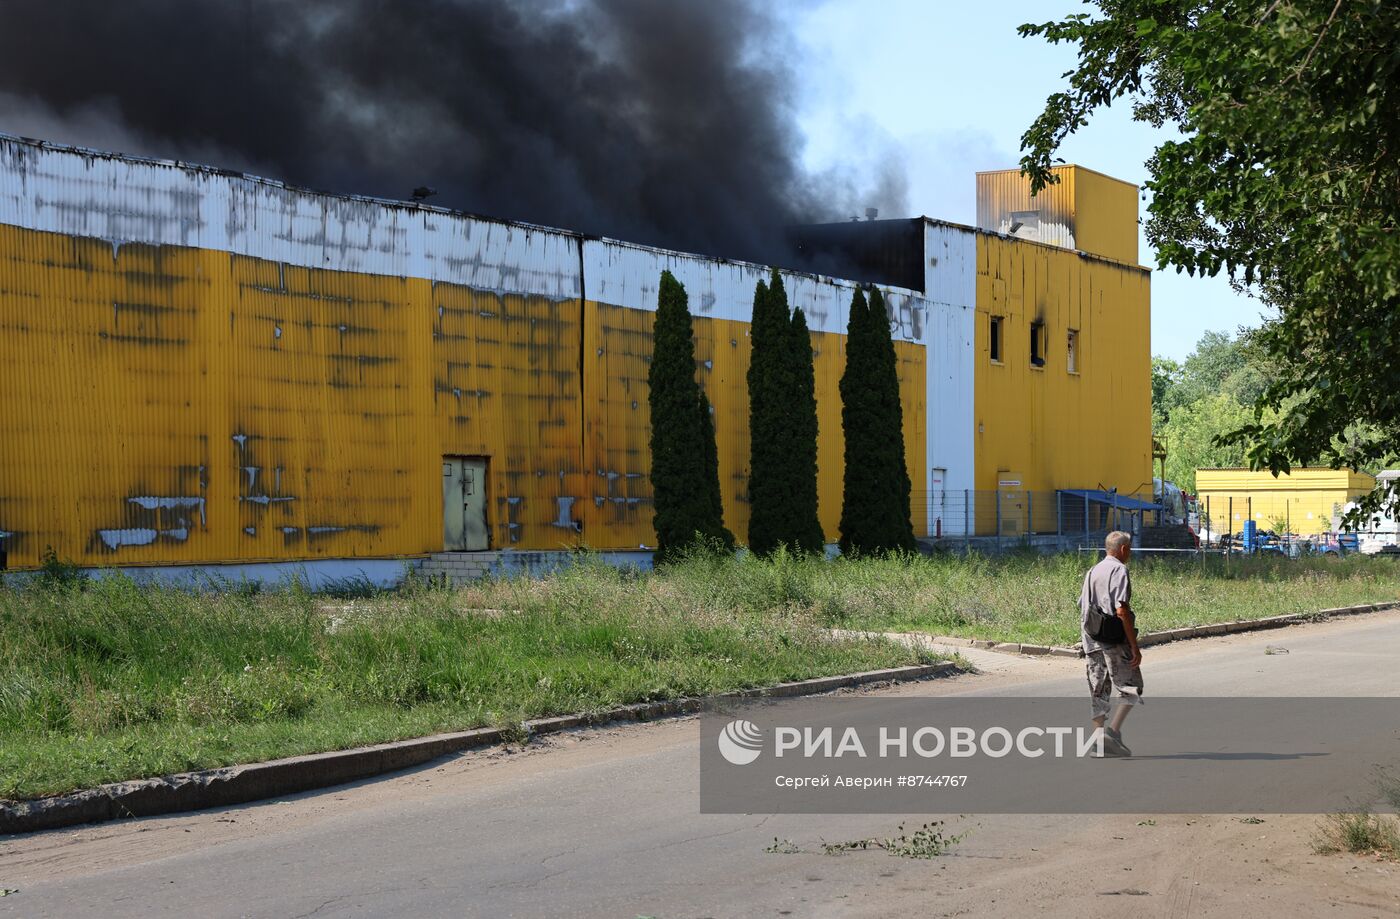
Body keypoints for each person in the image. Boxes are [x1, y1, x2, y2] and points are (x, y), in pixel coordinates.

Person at [1079, 530, 1144, 757]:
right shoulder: (1120, 570)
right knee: (1131, 685)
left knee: (1098, 690)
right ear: (1124, 549)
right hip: (1113, 641)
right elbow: (1121, 610)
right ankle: (1113, 733)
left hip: (1091, 639)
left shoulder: (1092, 571)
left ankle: (1099, 740)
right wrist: (1134, 646)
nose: (1131, 553)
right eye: (1130, 549)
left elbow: (1083, 606)